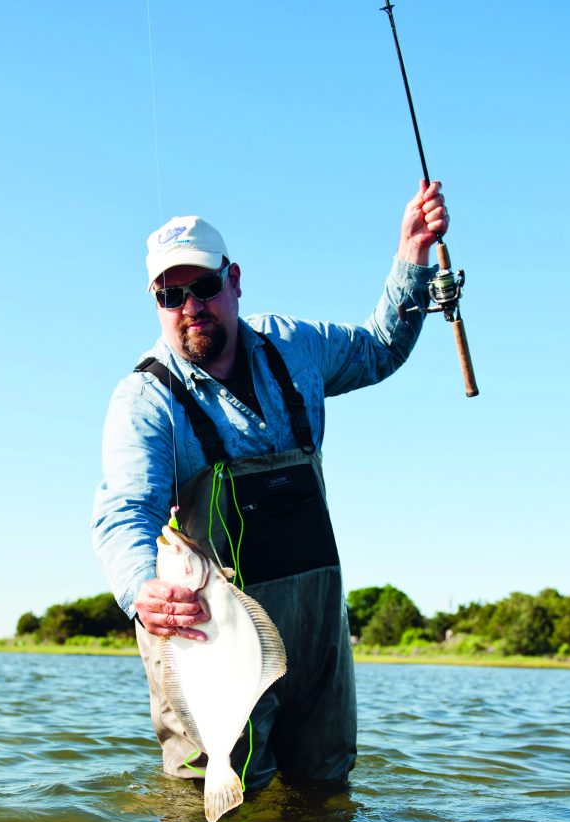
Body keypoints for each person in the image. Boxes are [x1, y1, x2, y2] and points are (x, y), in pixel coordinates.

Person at [92, 181, 448, 791]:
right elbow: (125, 513)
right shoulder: (144, 398)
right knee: (216, 804)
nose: (190, 306)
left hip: (317, 626)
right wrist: (141, 590)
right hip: (210, 634)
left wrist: (412, 255)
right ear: (156, 303)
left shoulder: (295, 345)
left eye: (204, 286)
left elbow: (380, 349)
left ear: (234, 281)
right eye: (170, 295)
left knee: (325, 790)